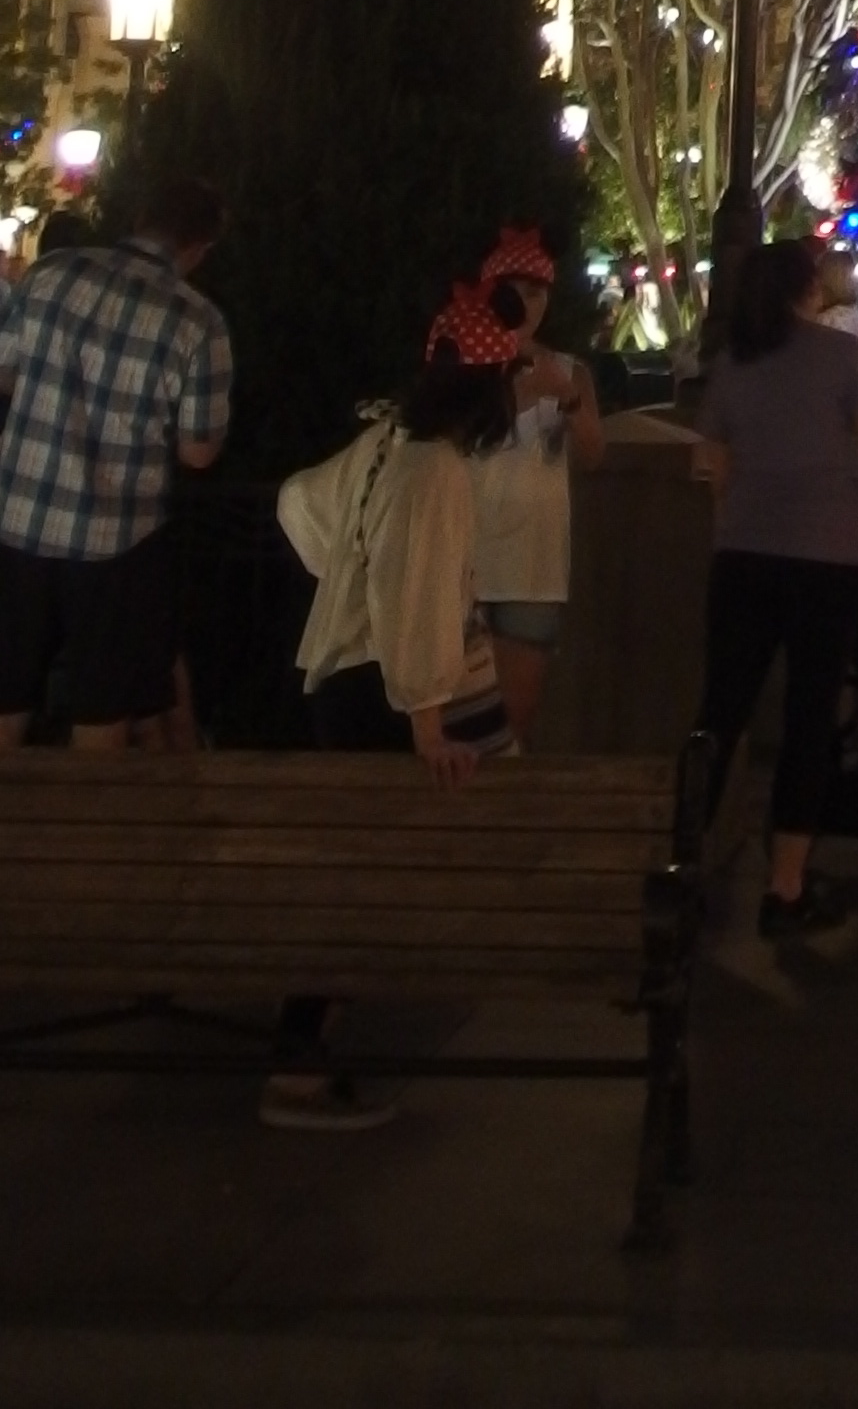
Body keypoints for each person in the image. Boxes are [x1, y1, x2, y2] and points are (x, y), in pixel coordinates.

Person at [273, 344, 520, 1129]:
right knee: (363, 889)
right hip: (382, 689)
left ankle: (302, 1055)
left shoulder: (386, 440)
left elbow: (298, 499)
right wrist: (426, 723)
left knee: (356, 877)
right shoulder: (437, 472)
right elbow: (416, 596)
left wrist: (339, 575)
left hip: (340, 674)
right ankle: (297, 1069)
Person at [0, 178, 231, 751]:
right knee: (101, 722)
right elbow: (198, 451)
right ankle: (79, 835)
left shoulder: (54, 273)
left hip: (17, 524)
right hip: (116, 541)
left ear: (137, 217)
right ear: (200, 248)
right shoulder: (197, 321)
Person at [695, 237, 858, 938]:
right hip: (829, 556)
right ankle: (786, 884)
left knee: (720, 711)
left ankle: (680, 859)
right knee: (810, 719)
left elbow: (710, 473)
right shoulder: (844, 357)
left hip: (744, 553)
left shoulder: (730, 366)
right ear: (801, 289)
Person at [430, 225, 604, 746]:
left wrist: (568, 398)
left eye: (538, 294)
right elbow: (442, 442)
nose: (529, 306)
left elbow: (593, 455)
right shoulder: (462, 365)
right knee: (453, 717)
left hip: (533, 568)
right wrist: (520, 394)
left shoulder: (568, 370)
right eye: (518, 294)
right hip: (465, 559)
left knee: (515, 719)